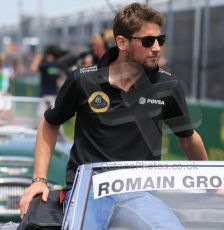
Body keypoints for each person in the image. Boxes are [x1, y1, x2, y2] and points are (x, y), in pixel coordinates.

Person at [20, 3, 209, 229]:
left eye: (161, 40)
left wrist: (213, 183)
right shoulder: (83, 80)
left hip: (140, 194)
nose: (157, 48)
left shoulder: (168, 85)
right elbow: (50, 123)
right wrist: (39, 180)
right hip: (87, 191)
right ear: (122, 42)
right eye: (148, 41)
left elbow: (188, 138)